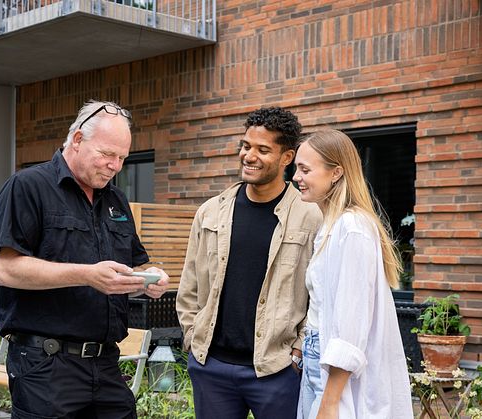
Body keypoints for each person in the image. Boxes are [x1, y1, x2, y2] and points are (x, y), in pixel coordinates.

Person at [0, 100, 169, 419]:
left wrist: (147, 279)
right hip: (46, 367)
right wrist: (87, 275)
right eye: (107, 154)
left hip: (106, 364)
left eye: (122, 158)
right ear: (76, 140)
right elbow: (5, 269)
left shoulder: (115, 199)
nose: (115, 166)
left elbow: (131, 267)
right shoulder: (28, 186)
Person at [176, 107, 322, 418]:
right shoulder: (210, 213)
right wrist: (191, 335)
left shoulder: (311, 217)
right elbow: (189, 284)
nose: (249, 156)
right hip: (211, 368)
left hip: (277, 370)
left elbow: (320, 295)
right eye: (246, 146)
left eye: (262, 149)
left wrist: (298, 350)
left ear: (287, 158)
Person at [293, 129, 413, 419]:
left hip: (336, 374)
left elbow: (351, 326)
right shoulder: (329, 226)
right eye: (296, 168)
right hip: (316, 356)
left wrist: (331, 402)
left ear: (336, 173)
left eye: (305, 169)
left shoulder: (353, 228)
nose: (296, 177)